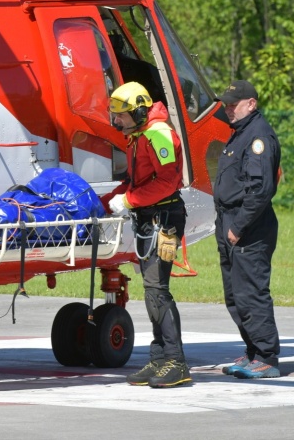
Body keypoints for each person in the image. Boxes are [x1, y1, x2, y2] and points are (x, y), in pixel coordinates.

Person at [102, 82, 191, 388]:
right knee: (152, 290)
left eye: (122, 116)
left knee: (157, 290)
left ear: (139, 112)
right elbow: (134, 180)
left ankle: (176, 362)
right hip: (148, 218)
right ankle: (159, 358)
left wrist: (127, 201)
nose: (117, 122)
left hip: (164, 219)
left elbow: (167, 182)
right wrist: (104, 202)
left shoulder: (158, 134)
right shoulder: (138, 136)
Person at [214, 80, 281, 379]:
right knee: (235, 295)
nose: (228, 108)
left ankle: (267, 357)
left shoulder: (258, 137)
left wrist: (237, 228)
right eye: (226, 103)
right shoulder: (241, 133)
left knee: (251, 292)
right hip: (230, 222)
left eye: (234, 103)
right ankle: (252, 352)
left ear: (251, 104)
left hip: (248, 227)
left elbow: (260, 190)